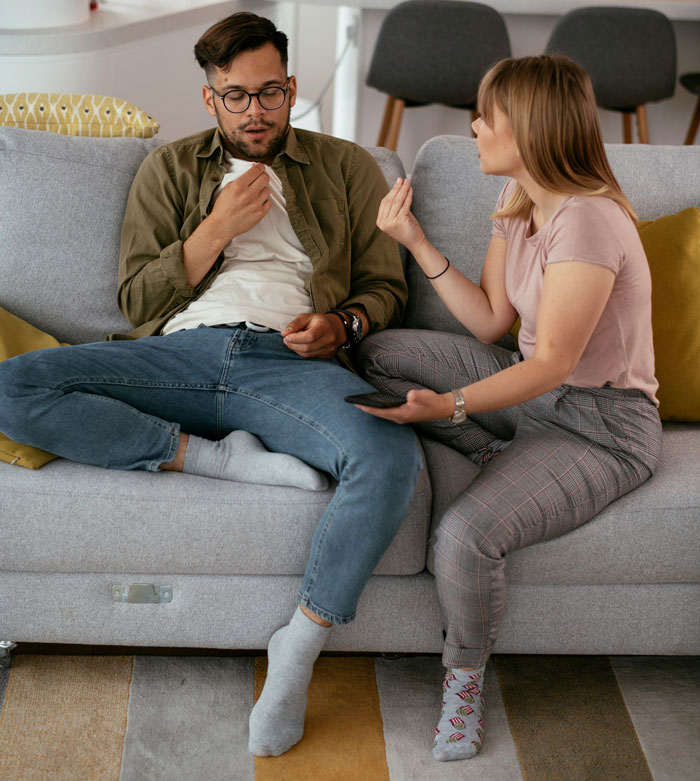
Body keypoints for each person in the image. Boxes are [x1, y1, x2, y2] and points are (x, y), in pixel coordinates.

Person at [0, 12, 421, 757]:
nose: (255, 111)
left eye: (270, 93)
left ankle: (298, 646)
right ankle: (212, 456)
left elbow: (386, 290)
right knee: (12, 386)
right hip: (180, 357)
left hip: (289, 365)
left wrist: (342, 326)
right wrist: (214, 230)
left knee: (390, 456)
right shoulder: (167, 170)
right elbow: (136, 301)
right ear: (209, 100)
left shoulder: (349, 167)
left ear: (292, 89)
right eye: (236, 95)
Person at [355, 54, 662, 762]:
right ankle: (499, 450)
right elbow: (492, 322)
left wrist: (451, 406)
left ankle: (463, 681)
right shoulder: (519, 205)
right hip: (535, 396)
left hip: (601, 426)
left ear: (529, 127)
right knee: (381, 353)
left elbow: (552, 359)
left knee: (464, 535)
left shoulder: (587, 221)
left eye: (487, 115)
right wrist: (416, 243)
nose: (475, 126)